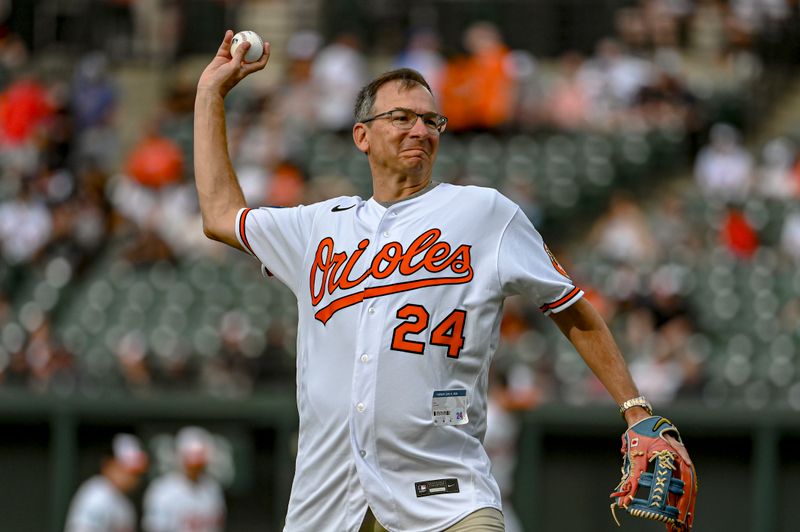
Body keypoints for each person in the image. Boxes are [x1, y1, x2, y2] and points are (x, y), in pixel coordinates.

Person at [194, 31, 692, 531]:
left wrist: (634, 409)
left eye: (432, 120)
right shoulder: (319, 226)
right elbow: (220, 215)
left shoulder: (483, 212)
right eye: (402, 118)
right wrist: (211, 94)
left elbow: (570, 306)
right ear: (361, 136)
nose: (421, 130)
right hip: (328, 504)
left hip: (446, 498)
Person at [142, 426, 226, 532]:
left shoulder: (213, 488)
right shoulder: (162, 490)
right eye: (191, 463)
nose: (195, 467)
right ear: (181, 458)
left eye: (199, 463)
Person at [64, 433, 149, 532]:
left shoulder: (125, 504)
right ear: (108, 464)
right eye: (127, 471)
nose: (133, 478)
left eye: (136, 473)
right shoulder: (96, 495)